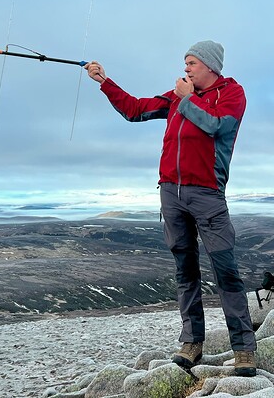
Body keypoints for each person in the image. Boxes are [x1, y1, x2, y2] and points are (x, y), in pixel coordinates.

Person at [85, 40, 257, 376]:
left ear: (209, 66)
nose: (186, 69)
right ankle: (192, 344)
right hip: (171, 194)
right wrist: (105, 82)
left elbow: (217, 126)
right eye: (185, 63)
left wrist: (187, 99)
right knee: (185, 271)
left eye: (191, 62)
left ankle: (244, 350)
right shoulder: (177, 96)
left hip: (207, 193)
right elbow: (135, 110)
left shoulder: (230, 94)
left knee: (226, 271)